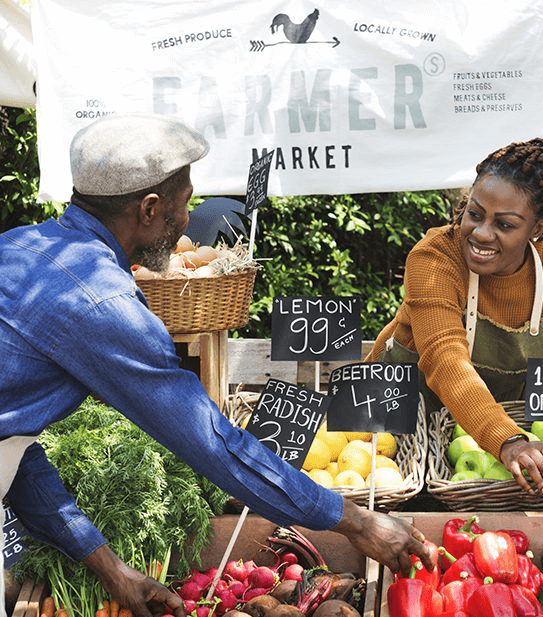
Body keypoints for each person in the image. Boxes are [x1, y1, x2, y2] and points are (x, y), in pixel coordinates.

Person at [0, 113, 435, 617]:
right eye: (185, 204)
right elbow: (214, 446)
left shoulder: (19, 246)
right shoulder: (103, 305)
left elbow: (13, 451)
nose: (187, 221)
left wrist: (111, 569)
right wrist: (356, 523)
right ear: (149, 209)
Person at [367, 137, 543, 498]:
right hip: (391, 432)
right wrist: (509, 440)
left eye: (505, 225)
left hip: (481, 447)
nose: (482, 233)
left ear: (538, 227)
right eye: (475, 214)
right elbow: (445, 358)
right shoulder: (435, 256)